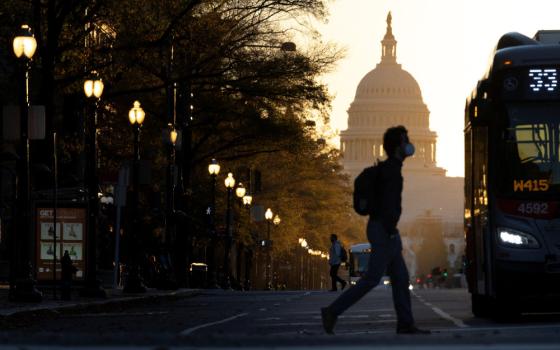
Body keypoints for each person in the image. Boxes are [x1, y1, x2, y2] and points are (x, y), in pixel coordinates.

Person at [321, 126, 430, 335]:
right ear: (398, 145)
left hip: (385, 228)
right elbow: (389, 205)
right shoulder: (391, 172)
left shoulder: (390, 168)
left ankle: (405, 323)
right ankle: (332, 311)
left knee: (400, 277)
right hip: (384, 229)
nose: (410, 144)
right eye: (405, 140)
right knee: (372, 278)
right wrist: (390, 231)